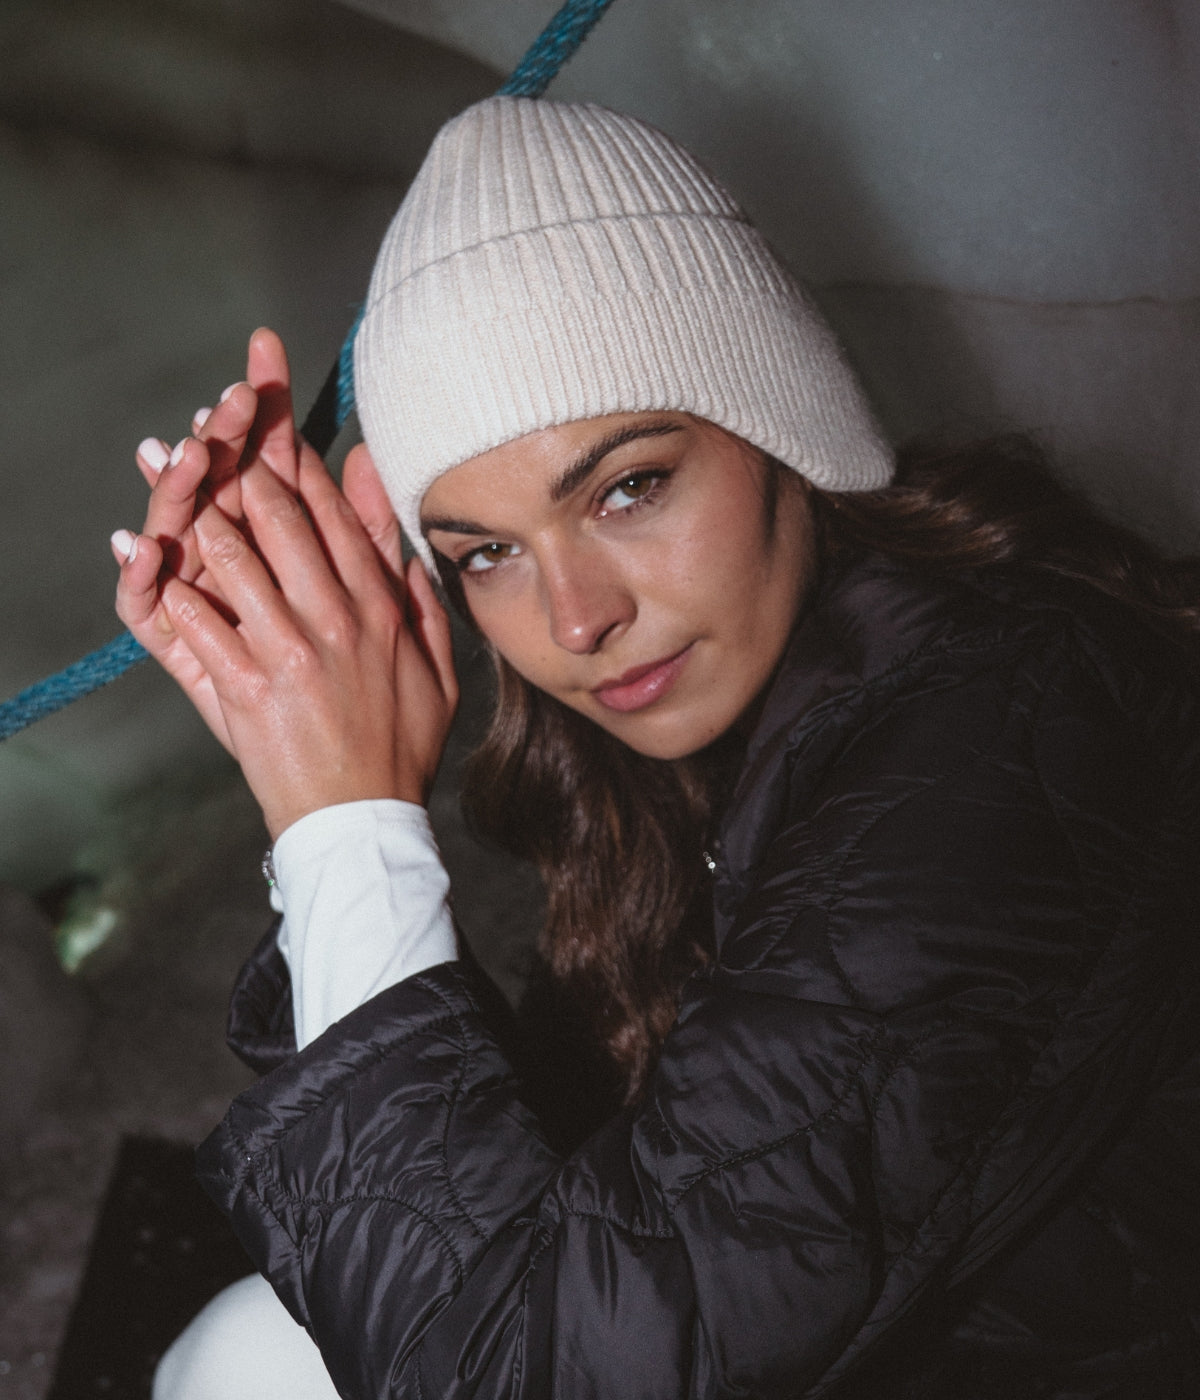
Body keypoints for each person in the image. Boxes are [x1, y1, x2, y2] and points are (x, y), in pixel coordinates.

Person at [113, 98, 1200, 1399]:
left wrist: (343, 827)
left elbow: (532, 1364)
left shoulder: (1003, 737)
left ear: (780, 422)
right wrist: (357, 807)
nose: (576, 619)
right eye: (486, 555)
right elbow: (568, 1194)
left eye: (627, 487)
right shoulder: (764, 709)